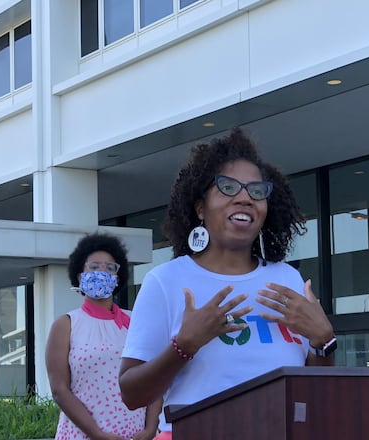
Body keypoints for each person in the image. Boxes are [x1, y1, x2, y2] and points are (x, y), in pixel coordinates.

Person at [119, 129, 336, 439]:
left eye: (256, 191)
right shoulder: (167, 282)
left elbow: (315, 396)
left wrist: (324, 342)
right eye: (228, 187)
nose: (245, 198)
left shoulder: (287, 278)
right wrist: (184, 346)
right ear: (200, 208)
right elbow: (131, 394)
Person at [46, 233, 161, 440]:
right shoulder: (66, 324)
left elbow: (154, 379)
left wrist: (150, 429)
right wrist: (97, 434)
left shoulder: (136, 321)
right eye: (94, 266)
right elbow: (59, 390)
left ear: (118, 278)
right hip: (82, 435)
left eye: (110, 268)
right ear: (80, 275)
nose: (102, 272)